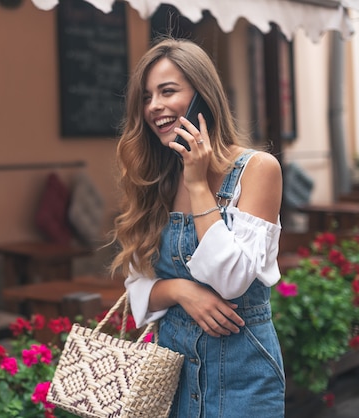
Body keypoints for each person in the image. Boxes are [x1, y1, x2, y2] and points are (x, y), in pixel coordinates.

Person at [108, 37, 285, 417]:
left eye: (168, 91)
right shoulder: (156, 179)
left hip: (243, 378)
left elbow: (231, 281)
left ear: (202, 97)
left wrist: (199, 184)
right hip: (168, 378)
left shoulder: (257, 170)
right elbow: (139, 290)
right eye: (146, 96)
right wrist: (182, 291)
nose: (154, 106)